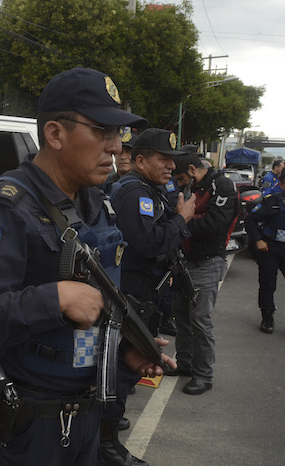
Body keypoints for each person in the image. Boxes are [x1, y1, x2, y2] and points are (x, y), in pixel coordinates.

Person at [0, 67, 175, 465]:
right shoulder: (5, 208)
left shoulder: (96, 203)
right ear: (55, 134)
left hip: (86, 419)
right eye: (102, 132)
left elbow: (95, 316)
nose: (115, 148)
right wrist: (54, 298)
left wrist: (125, 356)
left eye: (118, 135)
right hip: (28, 428)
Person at [103, 128, 194, 465]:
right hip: (131, 294)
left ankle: (108, 436)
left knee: (129, 368)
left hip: (145, 292)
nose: (171, 165)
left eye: (173, 160)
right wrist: (182, 220)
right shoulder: (134, 192)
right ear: (140, 160)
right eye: (163, 159)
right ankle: (106, 444)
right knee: (121, 368)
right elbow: (146, 242)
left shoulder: (149, 190)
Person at [167, 152, 240, 395]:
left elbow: (214, 223)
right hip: (185, 261)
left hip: (206, 263)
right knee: (183, 317)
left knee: (200, 320)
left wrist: (182, 221)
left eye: (180, 178)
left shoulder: (222, 185)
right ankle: (186, 363)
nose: (179, 184)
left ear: (191, 169)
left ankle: (204, 375)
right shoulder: (196, 187)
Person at [244, 172, 285, 334]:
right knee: (268, 285)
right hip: (271, 248)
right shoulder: (271, 199)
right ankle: (267, 316)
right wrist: (257, 240)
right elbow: (250, 220)